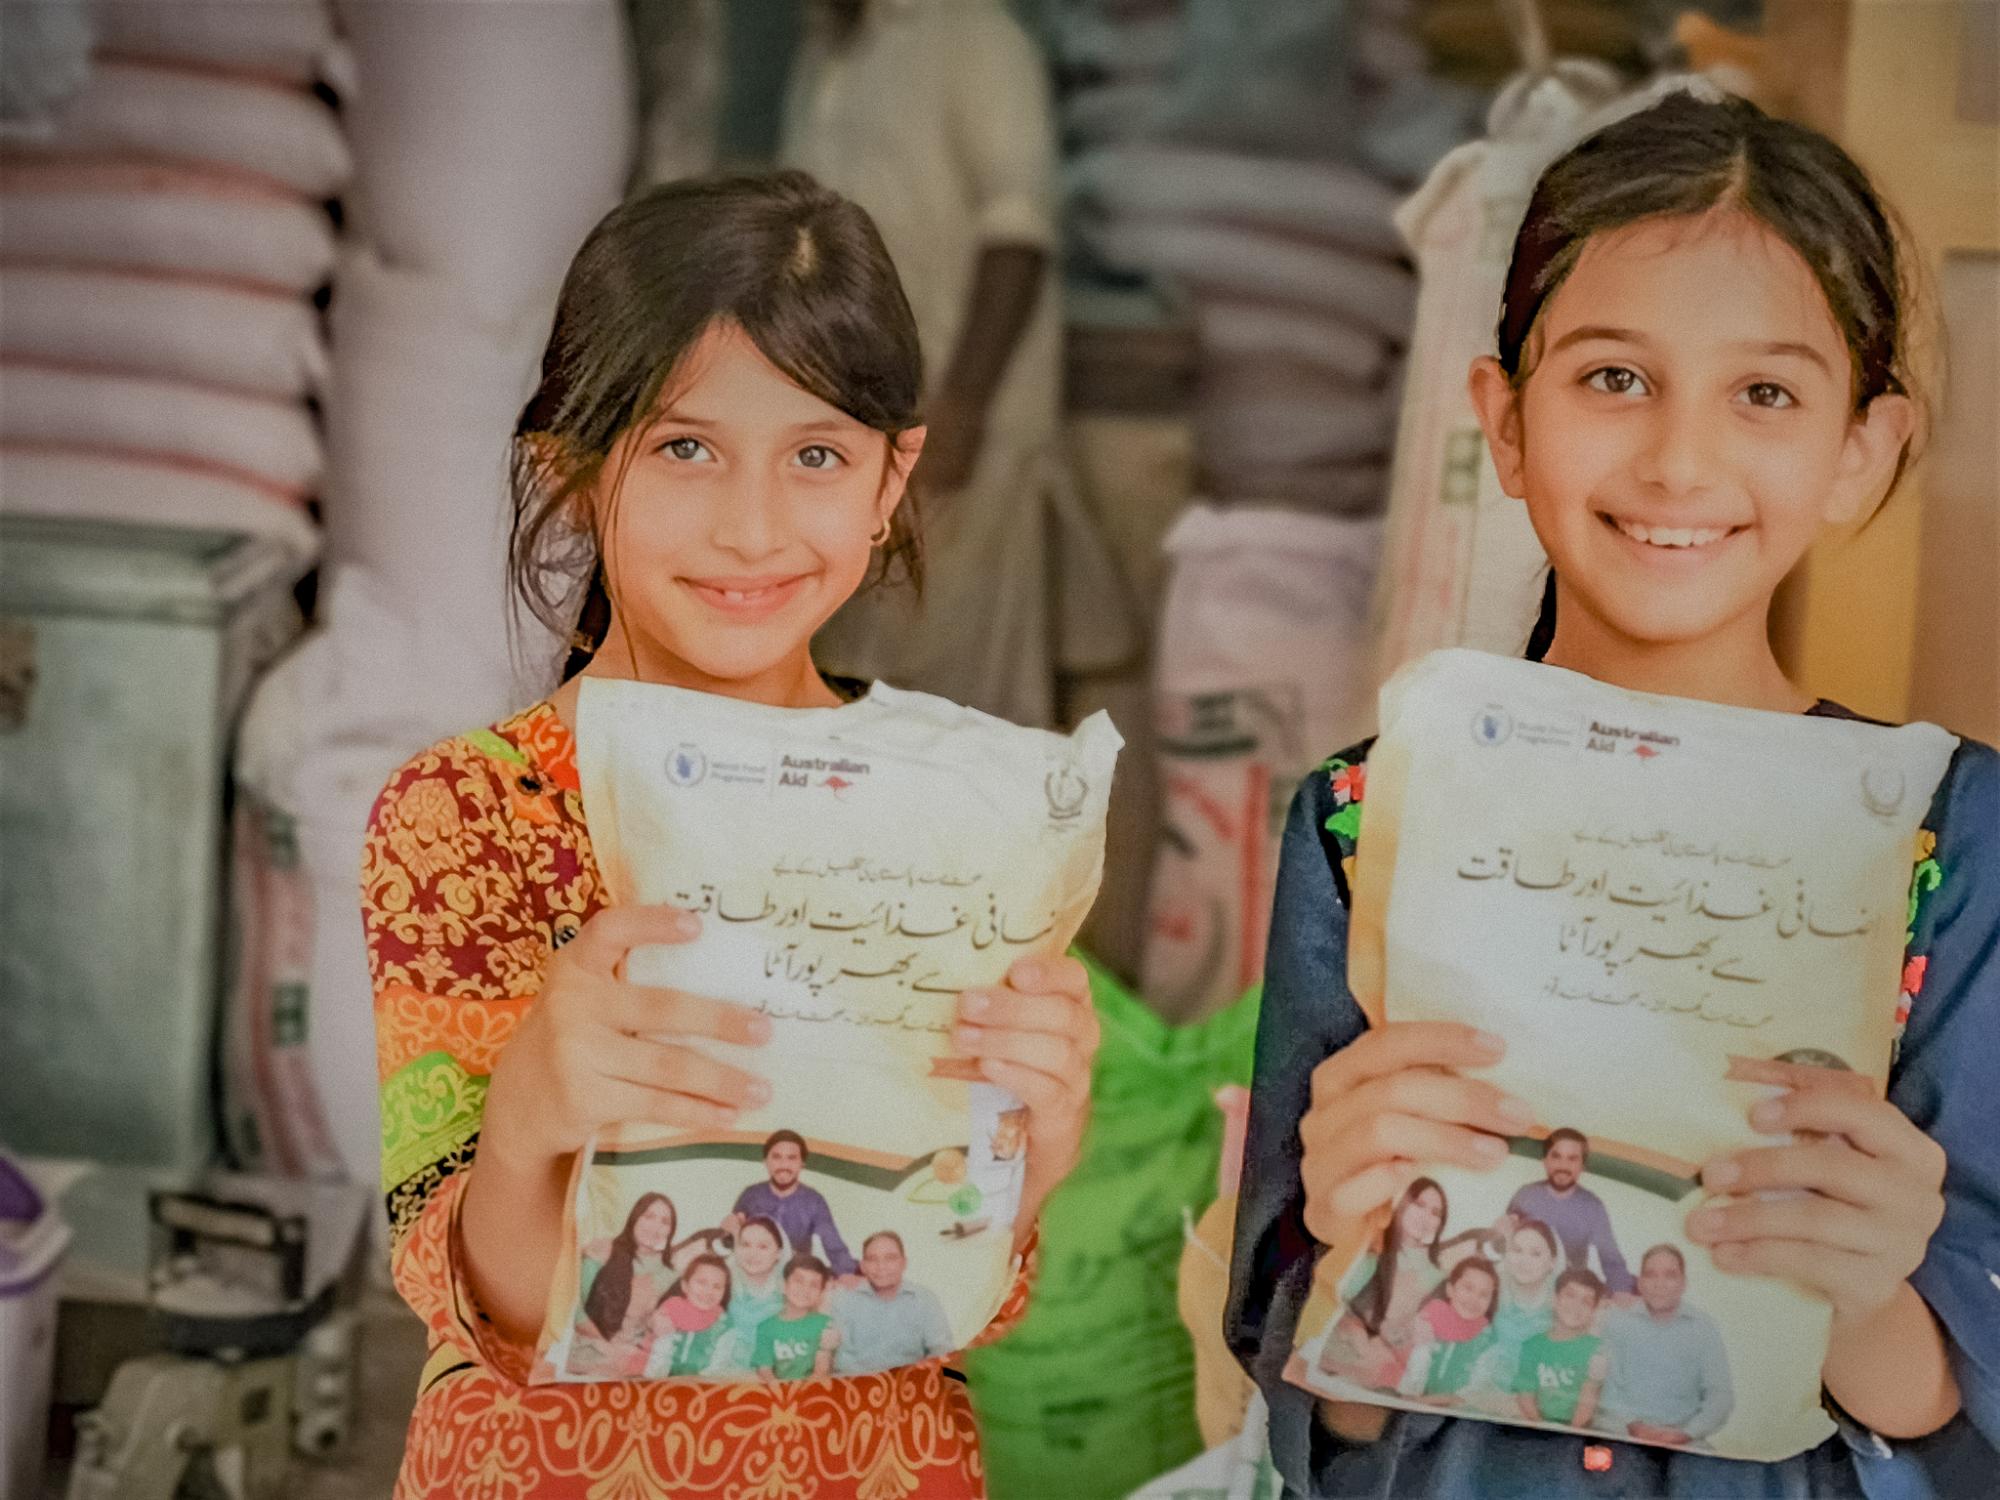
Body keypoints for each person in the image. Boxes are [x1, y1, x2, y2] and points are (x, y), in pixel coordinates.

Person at [1226, 91, 1996, 1496]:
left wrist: (1870, 1288)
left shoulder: (1957, 845)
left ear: (1861, 450)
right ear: (1504, 424)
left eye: (1763, 392)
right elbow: (1318, 1422)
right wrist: (1351, 1248)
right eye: (1613, 378)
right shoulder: (1365, 820)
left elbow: (1962, 1440)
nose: (1679, 463)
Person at [364, 171, 1102, 1499]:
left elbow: (942, 1294)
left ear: (893, 478)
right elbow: (493, 1316)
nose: (752, 526)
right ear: (574, 472)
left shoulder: (963, 811)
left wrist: (1035, 1153)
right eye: (686, 447)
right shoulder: (471, 814)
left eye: (816, 454)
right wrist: (530, 1119)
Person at [779, 0, 1126, 726]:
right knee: (858, 701)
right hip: (851, 440)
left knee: (963, 715)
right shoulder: (833, 53)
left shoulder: (975, 36)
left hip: (958, 438)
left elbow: (1019, 234)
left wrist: (961, 404)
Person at [1313, 1177, 1448, 1389]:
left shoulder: (1439, 1278)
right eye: (1419, 1205)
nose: (1426, 1216)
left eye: (1435, 1212)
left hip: (1391, 1376)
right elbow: (1330, 1309)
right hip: (1339, 1363)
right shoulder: (1369, 1257)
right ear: (1402, 1204)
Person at [1596, 1244, 1734, 1447]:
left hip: (1684, 1441)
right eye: (1651, 1275)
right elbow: (1607, 1387)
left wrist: (1686, 1433)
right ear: (1641, 1283)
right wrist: (1635, 1427)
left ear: (1683, 1283)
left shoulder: (1703, 1328)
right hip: (1622, 1434)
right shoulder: (1618, 1322)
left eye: (1670, 1275)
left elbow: (1720, 1396)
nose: (1659, 1284)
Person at [1501, 1128, 1634, 1295]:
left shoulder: (1592, 1207)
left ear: (1582, 1166)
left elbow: (1611, 1260)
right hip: (1524, 1285)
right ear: (1545, 1161)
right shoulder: (1526, 1195)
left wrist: (1622, 1293)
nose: (1563, 1166)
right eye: (1556, 1156)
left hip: (1566, 1293)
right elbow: (1502, 1245)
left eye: (1572, 1159)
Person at [720, 1130, 858, 1280]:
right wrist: (729, 1230)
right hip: (753, 1277)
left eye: (792, 1158)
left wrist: (847, 1274)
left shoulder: (814, 1201)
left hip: (794, 1280)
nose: (784, 1165)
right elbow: (730, 1243)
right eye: (777, 1157)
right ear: (766, 1161)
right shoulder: (751, 1195)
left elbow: (834, 1247)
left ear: (802, 1163)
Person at [1464, 1220, 1561, 1412]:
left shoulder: (1562, 1301)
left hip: (1535, 1403)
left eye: (1535, 1253)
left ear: (1552, 1262)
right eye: (1517, 1250)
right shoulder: (1491, 1284)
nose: (1524, 1260)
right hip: (1483, 1391)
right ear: (1507, 1254)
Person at [831, 1231, 954, 1375]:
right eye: (872, 1259)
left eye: (890, 1258)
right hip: (859, 1387)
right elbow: (842, 1360)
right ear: (863, 1266)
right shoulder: (844, 1301)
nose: (881, 1266)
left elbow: (942, 1349)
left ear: (903, 1263)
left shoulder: (924, 1299)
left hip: (911, 1386)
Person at [1514, 1269, 1610, 1427]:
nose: (1576, 1305)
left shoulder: (1597, 1350)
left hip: (1577, 1428)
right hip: (1536, 1424)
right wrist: (1540, 1426)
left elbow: (1588, 1401)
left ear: (1594, 1311)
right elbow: (1525, 1395)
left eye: (1586, 1301)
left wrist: (1572, 1432)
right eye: (1570, 1295)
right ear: (1554, 1299)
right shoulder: (1532, 1345)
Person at [1403, 1258, 1501, 1406]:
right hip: (1413, 1401)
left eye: (1484, 1295)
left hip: (1458, 1411)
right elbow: (1413, 1370)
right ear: (1450, 1289)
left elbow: (1472, 1393)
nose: (1474, 1299)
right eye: (1468, 1288)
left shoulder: (1488, 1341)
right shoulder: (1429, 1319)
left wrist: (1423, 1402)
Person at [712, 1216, 789, 1375]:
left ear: (779, 1254)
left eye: (763, 1246)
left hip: (772, 1378)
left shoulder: (790, 1294)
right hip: (722, 1372)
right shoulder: (721, 1283)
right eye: (745, 1245)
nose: (752, 1254)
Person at [644, 1253, 734, 1378]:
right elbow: (657, 1359)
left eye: (717, 1286)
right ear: (685, 1286)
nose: (709, 1291)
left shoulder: (724, 1325)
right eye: (702, 1282)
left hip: (701, 1387)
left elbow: (718, 1368)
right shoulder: (670, 1311)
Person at [755, 1255, 840, 1382]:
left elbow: (821, 1372)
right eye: (799, 1281)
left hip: (814, 1391)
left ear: (821, 1293)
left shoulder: (825, 1324)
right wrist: (780, 1392)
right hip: (779, 1393)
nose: (805, 1289)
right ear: (783, 1285)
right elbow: (764, 1370)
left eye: (814, 1285)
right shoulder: (766, 1327)